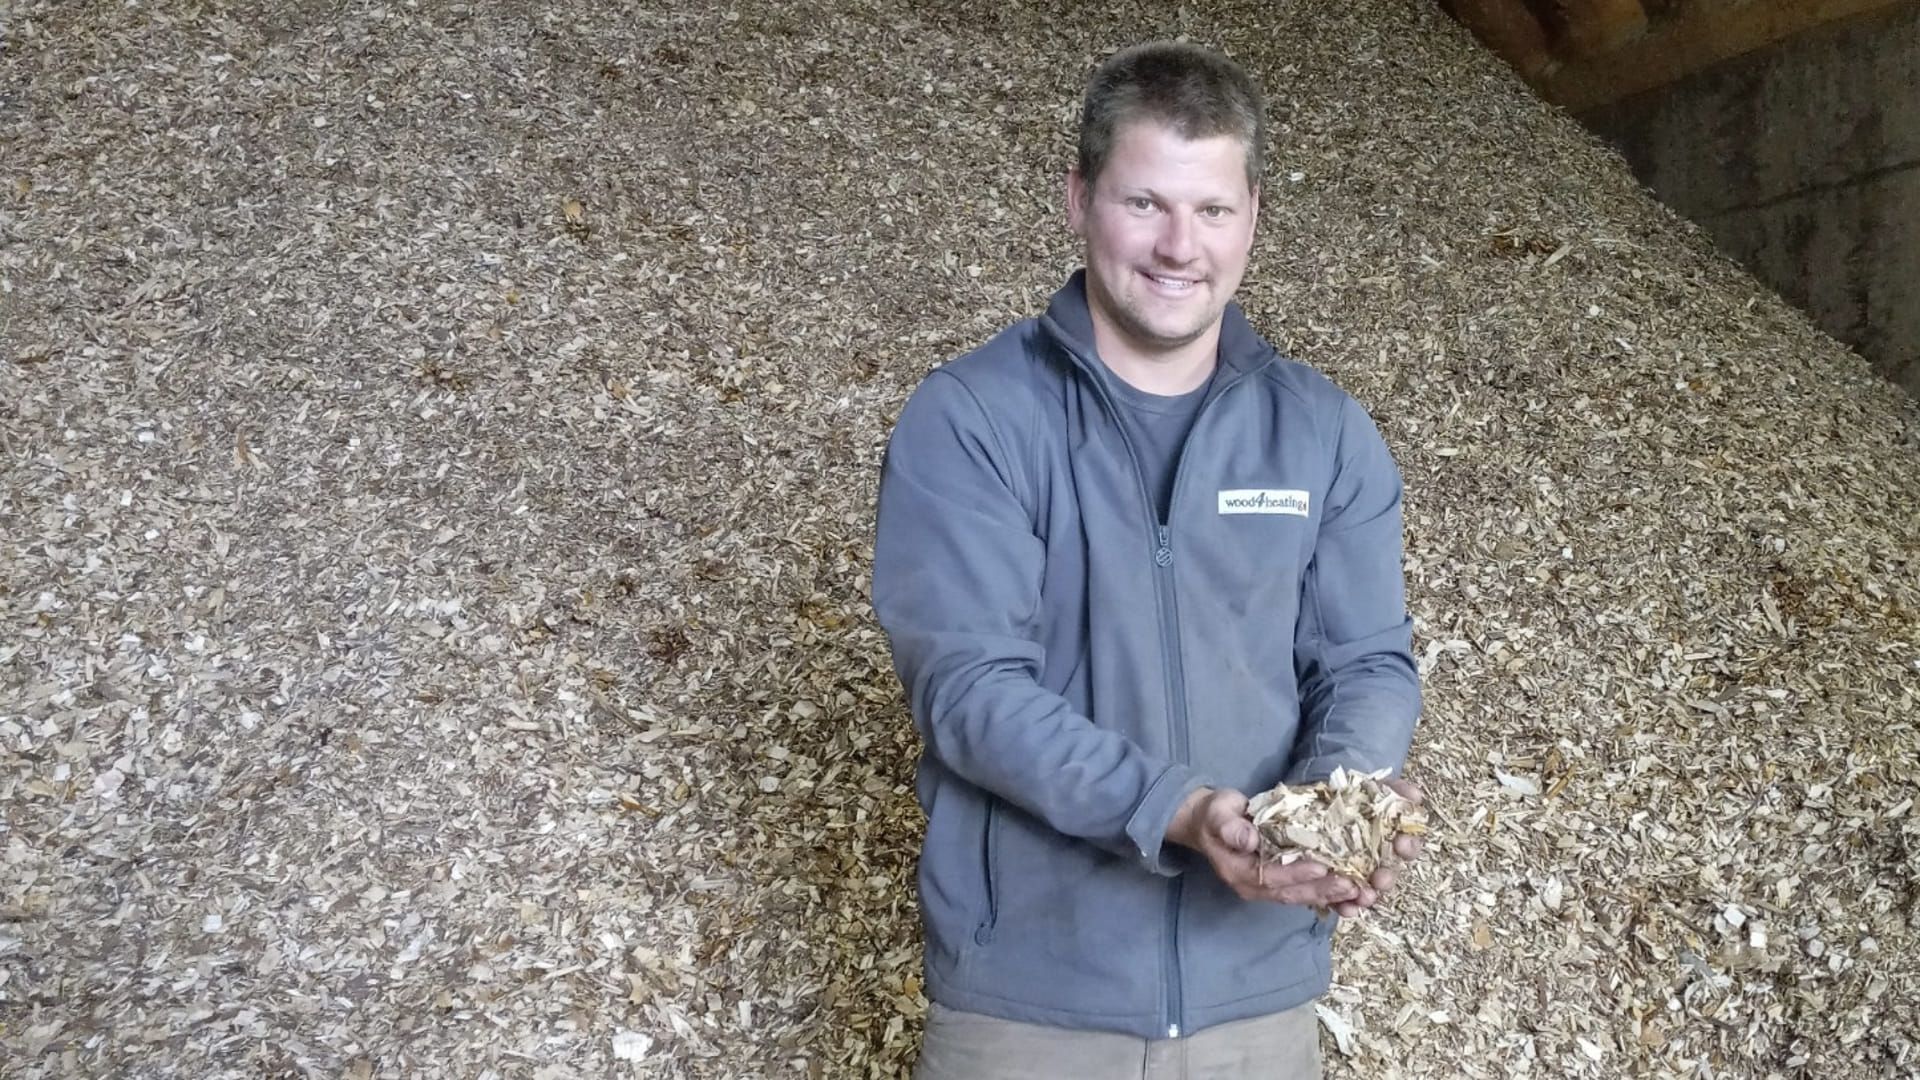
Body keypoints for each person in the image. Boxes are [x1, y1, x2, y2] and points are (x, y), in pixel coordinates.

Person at [872, 41, 1425, 1080]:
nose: (1181, 246)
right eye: (1145, 204)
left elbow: (1366, 663)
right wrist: (1177, 811)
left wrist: (1329, 805)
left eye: (1212, 210)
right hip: (1030, 1011)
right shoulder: (977, 418)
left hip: (1254, 1007)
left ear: (1253, 216)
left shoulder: (1322, 432)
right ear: (1077, 200)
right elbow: (969, 688)